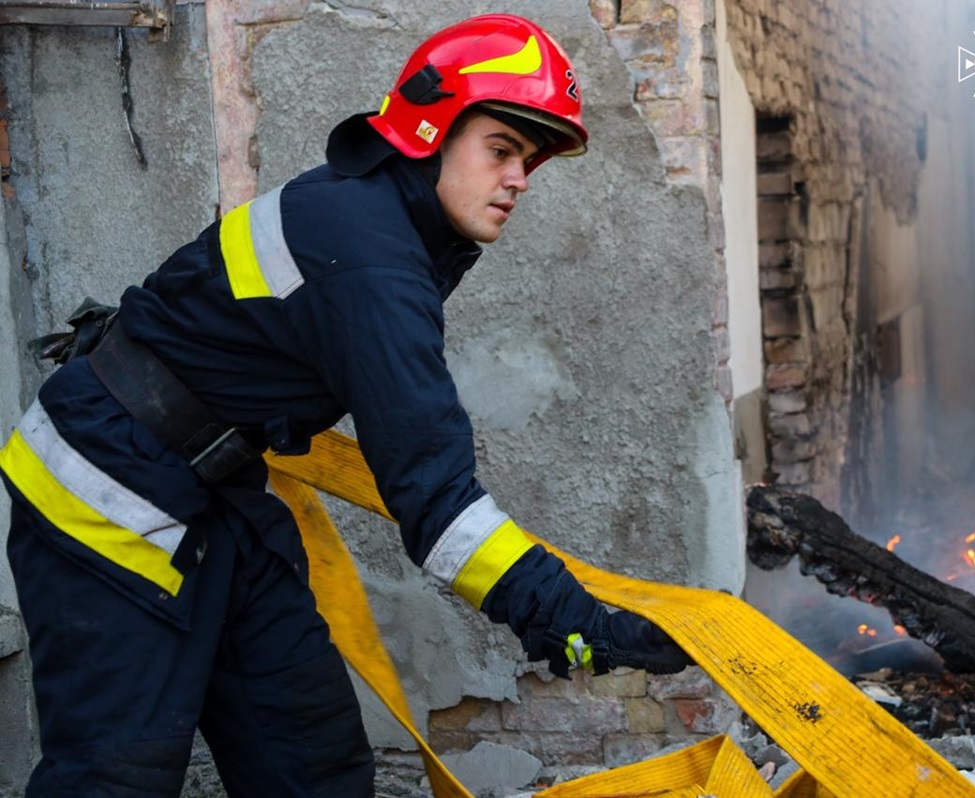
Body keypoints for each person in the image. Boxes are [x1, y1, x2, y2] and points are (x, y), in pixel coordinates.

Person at [0, 14, 690, 797]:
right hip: (103, 486)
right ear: (430, 132)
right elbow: (435, 501)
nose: (520, 179)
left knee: (309, 761)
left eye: (528, 160)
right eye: (500, 150)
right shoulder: (373, 261)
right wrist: (575, 621)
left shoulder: (385, 224)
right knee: (113, 777)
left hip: (212, 492)